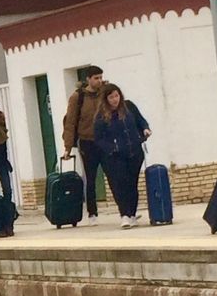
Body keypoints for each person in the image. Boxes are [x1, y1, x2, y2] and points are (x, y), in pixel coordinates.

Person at [92, 84, 151, 228]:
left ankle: (132, 214)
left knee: (132, 184)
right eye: (111, 97)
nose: (115, 100)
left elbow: (140, 120)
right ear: (106, 99)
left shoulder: (129, 107)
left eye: (116, 96)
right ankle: (124, 214)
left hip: (134, 152)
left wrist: (145, 129)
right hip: (116, 156)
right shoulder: (101, 115)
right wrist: (112, 148)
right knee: (120, 185)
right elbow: (98, 138)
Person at [62, 65, 107, 223]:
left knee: (114, 174)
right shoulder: (78, 97)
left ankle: (125, 210)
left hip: (105, 140)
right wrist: (68, 147)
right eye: (96, 78)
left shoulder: (105, 93)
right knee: (90, 178)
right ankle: (92, 213)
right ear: (88, 79)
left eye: (101, 77)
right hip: (87, 141)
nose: (99, 81)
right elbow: (70, 122)